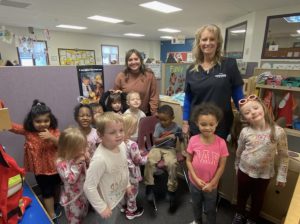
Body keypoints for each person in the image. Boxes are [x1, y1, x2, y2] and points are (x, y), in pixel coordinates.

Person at [232, 95, 289, 224]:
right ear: (243, 117)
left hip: (264, 175)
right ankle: (239, 214)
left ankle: (252, 219)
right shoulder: (245, 132)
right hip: (244, 171)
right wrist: (236, 165)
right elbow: (239, 151)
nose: (252, 112)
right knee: (241, 196)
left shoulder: (278, 132)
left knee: (258, 199)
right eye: (247, 112)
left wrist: (282, 176)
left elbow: (283, 156)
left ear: (263, 107)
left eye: (255, 108)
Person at [182, 24, 244, 139]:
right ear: (199, 43)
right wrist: (185, 122)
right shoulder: (191, 69)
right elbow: (188, 98)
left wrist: (247, 114)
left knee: (218, 155)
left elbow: (238, 95)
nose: (208, 43)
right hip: (198, 124)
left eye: (212, 39)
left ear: (218, 42)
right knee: (199, 154)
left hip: (221, 123)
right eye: (204, 39)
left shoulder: (229, 65)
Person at [8, 99, 61, 220]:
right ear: (31, 121)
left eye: (46, 121)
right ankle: (52, 215)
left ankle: (57, 203)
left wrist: (51, 138)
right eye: (38, 121)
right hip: (40, 170)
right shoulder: (28, 132)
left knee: (57, 186)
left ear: (51, 120)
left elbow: (62, 144)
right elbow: (11, 126)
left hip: (55, 167)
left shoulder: (54, 131)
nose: (42, 124)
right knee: (46, 191)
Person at [83, 112, 131, 224]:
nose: (119, 135)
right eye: (112, 132)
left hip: (118, 195)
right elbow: (88, 187)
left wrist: (127, 184)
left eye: (121, 130)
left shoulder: (122, 145)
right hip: (106, 203)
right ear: (100, 135)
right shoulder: (100, 159)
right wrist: (101, 208)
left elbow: (124, 167)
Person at [186, 103, 228, 224]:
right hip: (195, 183)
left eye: (211, 124)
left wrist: (213, 183)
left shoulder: (221, 143)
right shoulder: (193, 140)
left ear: (217, 124)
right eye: (203, 124)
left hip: (211, 185)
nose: (208, 128)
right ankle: (198, 221)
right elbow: (188, 161)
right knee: (196, 205)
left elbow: (222, 166)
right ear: (197, 123)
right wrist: (195, 178)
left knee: (210, 208)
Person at [144, 105, 183, 212]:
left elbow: (182, 138)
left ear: (173, 117)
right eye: (160, 119)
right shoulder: (158, 126)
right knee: (150, 161)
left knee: (172, 163)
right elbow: (155, 141)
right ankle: (149, 187)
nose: (163, 122)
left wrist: (182, 149)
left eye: (165, 120)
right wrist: (167, 137)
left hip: (170, 149)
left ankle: (171, 191)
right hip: (157, 148)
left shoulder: (177, 127)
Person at [56, 127, 89, 224]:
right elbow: (70, 180)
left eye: (84, 147)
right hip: (72, 196)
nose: (83, 151)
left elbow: (88, 170)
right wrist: (76, 165)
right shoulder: (61, 163)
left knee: (83, 212)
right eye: (80, 149)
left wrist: (87, 160)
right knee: (75, 216)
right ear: (68, 149)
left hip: (82, 192)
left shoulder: (79, 156)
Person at [114, 49, 159, 115]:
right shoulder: (121, 76)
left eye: (136, 59)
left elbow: (154, 96)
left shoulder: (149, 75)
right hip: (126, 114)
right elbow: (115, 97)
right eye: (130, 60)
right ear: (127, 62)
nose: (133, 62)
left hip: (144, 113)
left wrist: (154, 113)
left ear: (140, 60)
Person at [121, 114, 147, 220]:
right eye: (135, 126)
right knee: (132, 191)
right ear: (131, 128)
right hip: (132, 173)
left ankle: (123, 206)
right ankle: (131, 211)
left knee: (122, 190)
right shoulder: (132, 144)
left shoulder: (117, 142)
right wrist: (147, 157)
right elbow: (138, 161)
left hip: (121, 173)